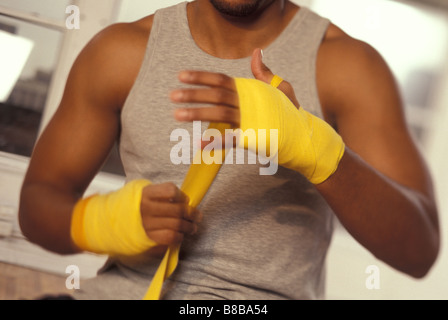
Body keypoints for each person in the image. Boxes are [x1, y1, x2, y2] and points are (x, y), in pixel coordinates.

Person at [19, 0, 440, 300]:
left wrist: (311, 146)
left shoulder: (347, 66)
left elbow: (418, 249)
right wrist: (109, 220)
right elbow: (39, 204)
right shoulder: (120, 52)